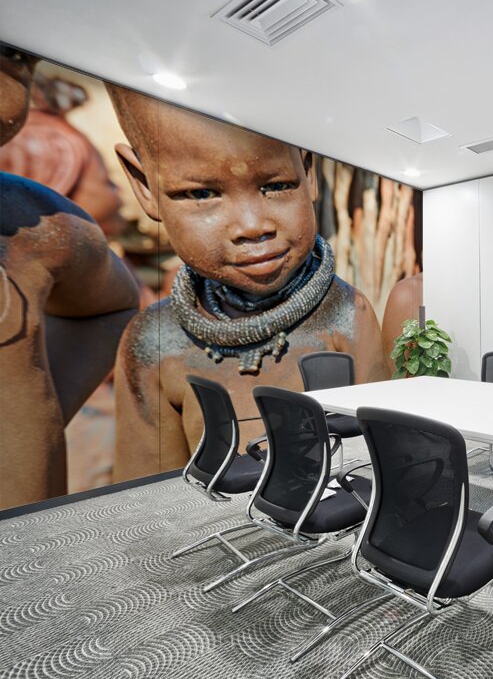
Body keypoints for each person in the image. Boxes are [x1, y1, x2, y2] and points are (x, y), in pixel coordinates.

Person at [106, 87, 388, 480]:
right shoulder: (153, 341)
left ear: (308, 171)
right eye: (201, 193)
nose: (253, 226)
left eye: (277, 185)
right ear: (144, 186)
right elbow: (147, 494)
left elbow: (374, 462)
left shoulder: (345, 314)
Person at [0, 45, 140, 509]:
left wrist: (32, 419)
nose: (120, 194)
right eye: (107, 178)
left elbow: (109, 305)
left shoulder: (37, 232)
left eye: (17, 57)